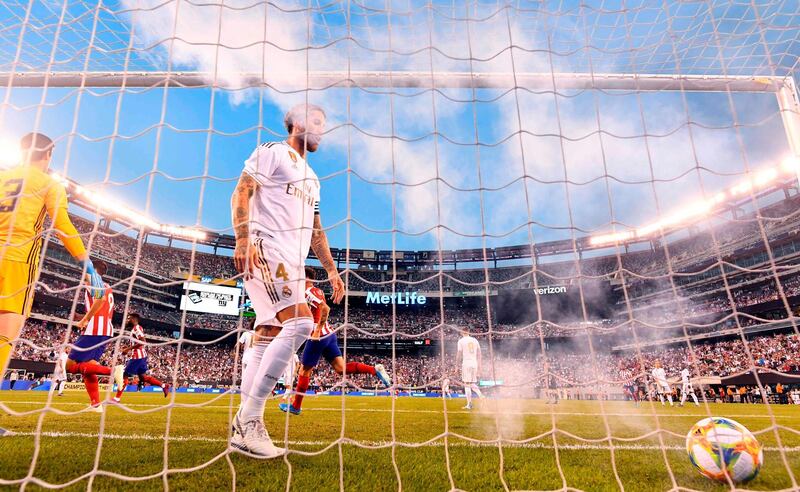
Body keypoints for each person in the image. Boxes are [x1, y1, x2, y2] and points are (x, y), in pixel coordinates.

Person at [229, 104, 344, 458]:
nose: (322, 130)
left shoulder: (313, 178)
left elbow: (317, 230)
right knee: (301, 322)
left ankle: (241, 429)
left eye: (325, 124)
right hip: (265, 246)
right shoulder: (273, 152)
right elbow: (242, 190)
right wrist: (243, 237)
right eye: (316, 122)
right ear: (295, 123)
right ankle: (250, 419)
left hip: (291, 261)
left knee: (268, 331)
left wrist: (330, 269)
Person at [0, 133, 105, 433]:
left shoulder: (4, 177)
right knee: (4, 338)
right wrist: (87, 265)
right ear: (49, 155)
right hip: (16, 263)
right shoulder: (48, 183)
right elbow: (62, 225)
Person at [279, 267, 390, 415]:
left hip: (318, 336)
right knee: (341, 369)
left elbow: (325, 309)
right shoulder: (316, 291)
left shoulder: (308, 292)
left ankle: (296, 406)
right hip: (329, 334)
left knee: (304, 370)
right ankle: (374, 370)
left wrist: (317, 329)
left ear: (306, 278)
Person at [66, 260, 124, 411]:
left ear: (92, 269)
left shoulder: (92, 279)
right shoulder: (107, 286)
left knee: (70, 366)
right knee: (89, 366)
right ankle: (96, 404)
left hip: (95, 329)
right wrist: (83, 317)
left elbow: (100, 300)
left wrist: (85, 319)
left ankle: (114, 371)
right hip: (105, 329)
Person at [112, 313, 169, 402]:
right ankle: (164, 386)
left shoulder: (136, 328)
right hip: (141, 356)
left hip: (137, 357)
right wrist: (128, 349)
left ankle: (117, 398)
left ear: (134, 319)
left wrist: (128, 349)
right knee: (143, 378)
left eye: (129, 318)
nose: (127, 320)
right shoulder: (137, 328)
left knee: (124, 375)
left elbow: (143, 341)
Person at [456, 331, 483, 410]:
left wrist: (456, 366)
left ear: (462, 333)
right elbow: (479, 353)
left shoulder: (461, 341)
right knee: (471, 383)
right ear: (469, 332)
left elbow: (459, 354)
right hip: (474, 364)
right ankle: (481, 396)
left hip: (466, 363)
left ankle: (469, 404)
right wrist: (479, 366)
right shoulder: (475, 340)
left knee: (466, 384)